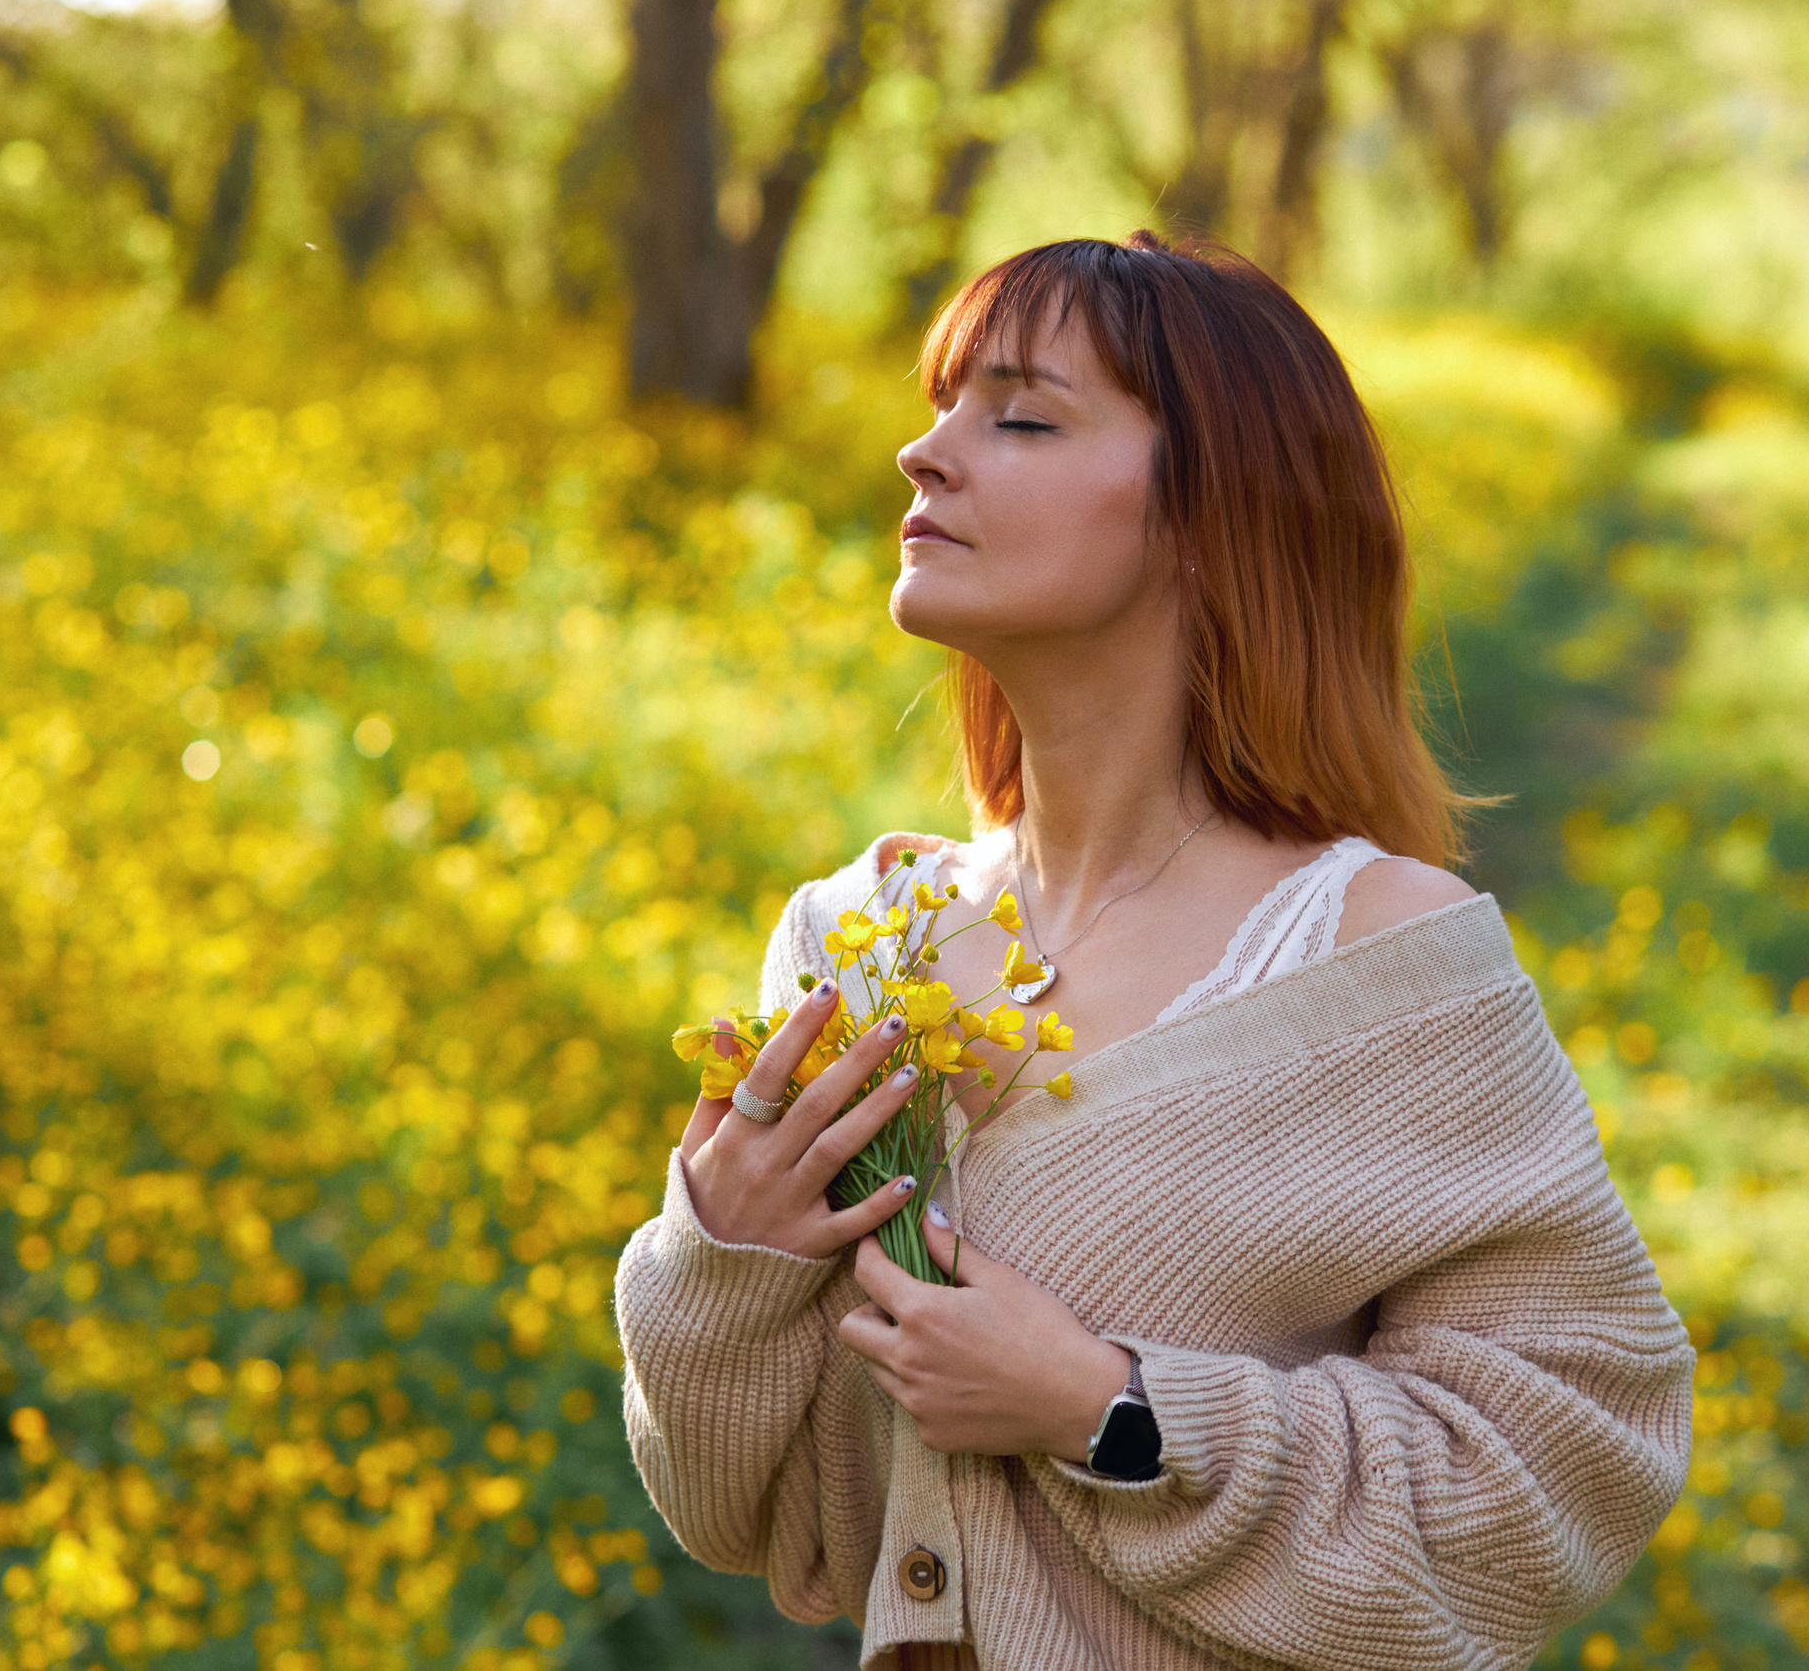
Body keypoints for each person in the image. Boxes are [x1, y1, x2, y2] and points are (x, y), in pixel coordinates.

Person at [615, 232, 1693, 1671]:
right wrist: (722, 1259)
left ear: (1207, 514)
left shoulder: (1379, 965)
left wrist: (1110, 1410)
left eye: (1021, 418)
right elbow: (743, 1515)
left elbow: (1568, 1464)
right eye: (943, 406)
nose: (922, 455)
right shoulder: (857, 945)